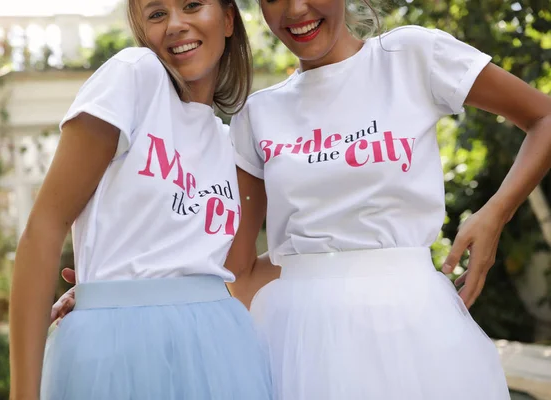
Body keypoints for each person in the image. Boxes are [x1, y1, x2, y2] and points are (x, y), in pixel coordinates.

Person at [226, 0, 551, 399]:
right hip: (295, 342)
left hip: (411, 326)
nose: (295, 9)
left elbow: (544, 118)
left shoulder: (412, 55)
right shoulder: (257, 113)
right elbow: (238, 273)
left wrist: (495, 213)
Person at [8, 0, 272, 398]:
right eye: (156, 14)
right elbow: (44, 228)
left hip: (220, 348)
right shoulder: (134, 76)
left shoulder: (226, 141)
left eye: (192, 5)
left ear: (229, 18)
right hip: (117, 351)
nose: (176, 24)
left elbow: (234, 270)